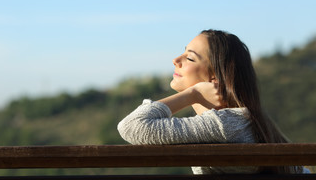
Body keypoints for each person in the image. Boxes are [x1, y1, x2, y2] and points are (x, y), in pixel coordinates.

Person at [117, 29, 308, 174]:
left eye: (190, 58)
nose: (176, 59)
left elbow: (131, 126)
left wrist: (192, 94)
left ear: (215, 79)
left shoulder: (225, 124)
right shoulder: (242, 121)